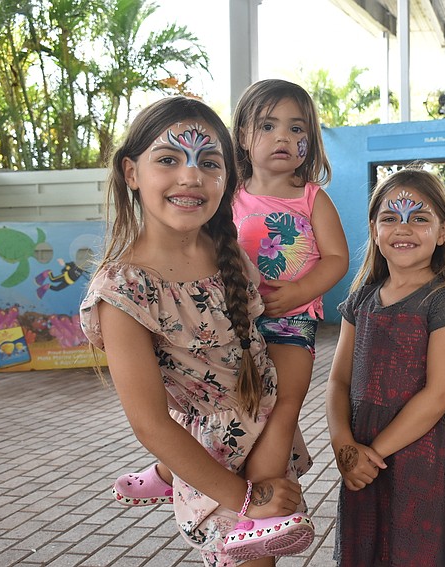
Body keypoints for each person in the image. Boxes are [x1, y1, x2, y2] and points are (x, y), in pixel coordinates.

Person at [80, 96, 314, 566]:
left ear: (227, 178)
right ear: (131, 173)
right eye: (168, 159)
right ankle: (170, 478)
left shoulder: (225, 249)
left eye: (210, 163)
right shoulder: (123, 293)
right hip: (211, 461)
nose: (190, 176)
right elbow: (149, 422)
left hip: (265, 428)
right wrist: (246, 500)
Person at [112, 80, 348, 519]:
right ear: (241, 136)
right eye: (268, 126)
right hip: (237, 322)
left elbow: (337, 259)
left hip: (291, 324)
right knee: (219, 402)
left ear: (310, 141)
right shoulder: (224, 196)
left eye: (297, 129)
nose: (283, 137)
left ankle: (261, 493)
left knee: (283, 407)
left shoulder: (312, 197)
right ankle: (172, 472)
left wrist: (297, 292)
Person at [326, 168, 445, 566]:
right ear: (374, 229)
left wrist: (373, 453)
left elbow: (439, 394)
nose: (402, 228)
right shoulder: (361, 300)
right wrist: (345, 448)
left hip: (417, 462)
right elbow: (339, 380)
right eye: (390, 218)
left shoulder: (444, 303)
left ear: (444, 231)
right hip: (360, 463)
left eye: (419, 218)